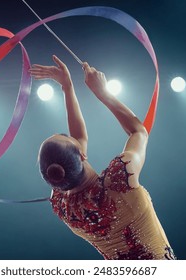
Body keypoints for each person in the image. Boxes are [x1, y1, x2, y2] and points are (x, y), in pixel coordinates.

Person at [29, 55, 176, 260]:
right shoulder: (119, 180)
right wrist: (102, 92)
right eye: (65, 136)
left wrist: (67, 87)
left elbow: (78, 140)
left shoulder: (62, 205)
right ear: (81, 154)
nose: (71, 136)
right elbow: (138, 132)